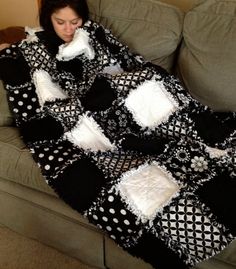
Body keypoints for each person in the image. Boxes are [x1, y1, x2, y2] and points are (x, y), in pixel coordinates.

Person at [0, 1, 235, 269]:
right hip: (80, 114)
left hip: (122, 100)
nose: (68, 29)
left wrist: (129, 81)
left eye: (74, 21)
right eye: (60, 22)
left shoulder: (95, 32)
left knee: (153, 87)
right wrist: (7, 53)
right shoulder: (35, 47)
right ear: (47, 18)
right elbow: (25, 77)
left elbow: (126, 60)